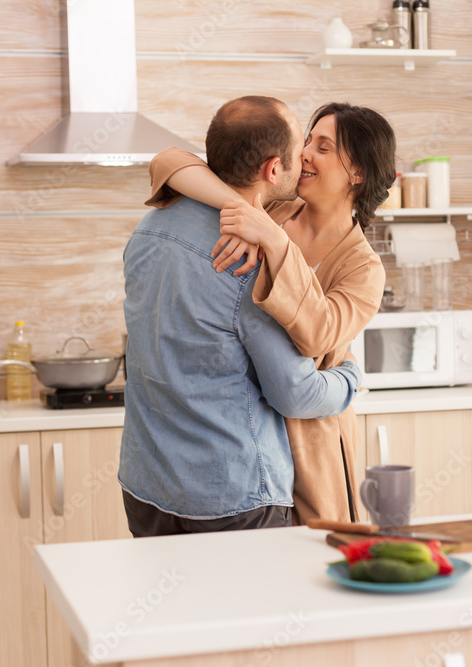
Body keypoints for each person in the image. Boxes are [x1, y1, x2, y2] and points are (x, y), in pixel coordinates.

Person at [119, 96, 364, 537]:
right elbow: (297, 395)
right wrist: (349, 376)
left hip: (146, 484)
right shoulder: (245, 262)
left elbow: (171, 162)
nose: (306, 156)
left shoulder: (150, 227)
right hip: (228, 494)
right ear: (274, 170)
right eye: (302, 146)